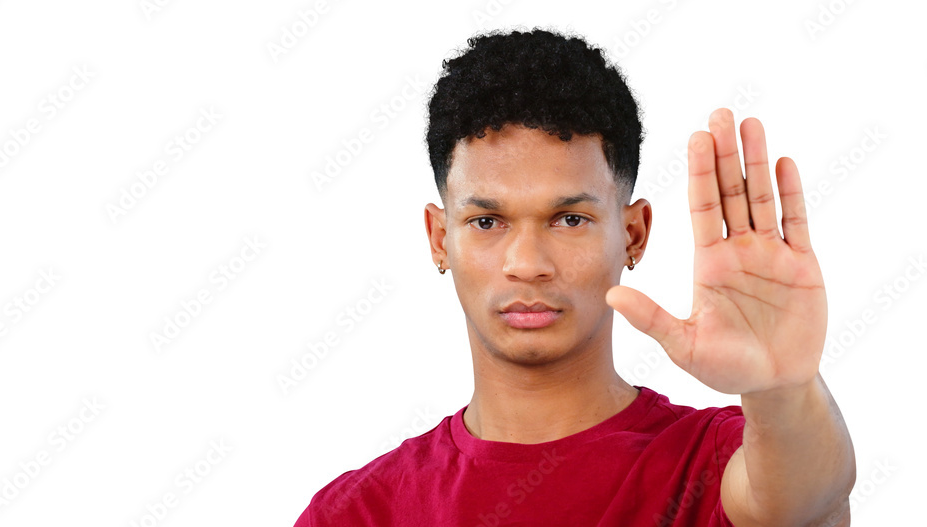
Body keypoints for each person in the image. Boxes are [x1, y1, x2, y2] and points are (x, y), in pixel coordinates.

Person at [294, 27, 855, 526]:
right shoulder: (356, 513)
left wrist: (783, 387)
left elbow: (805, 502)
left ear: (632, 234)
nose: (527, 262)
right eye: (486, 221)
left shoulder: (715, 460)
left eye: (569, 219)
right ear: (441, 238)